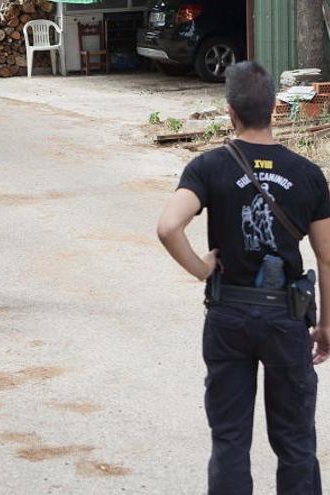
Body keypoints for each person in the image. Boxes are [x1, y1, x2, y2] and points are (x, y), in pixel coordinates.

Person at [157, 61, 330, 494]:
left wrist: (202, 268)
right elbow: (327, 256)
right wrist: (326, 323)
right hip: (286, 318)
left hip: (229, 315)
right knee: (295, 441)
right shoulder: (308, 174)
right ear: (273, 108)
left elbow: (168, 227)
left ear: (230, 111)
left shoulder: (210, 166)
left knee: (230, 438)